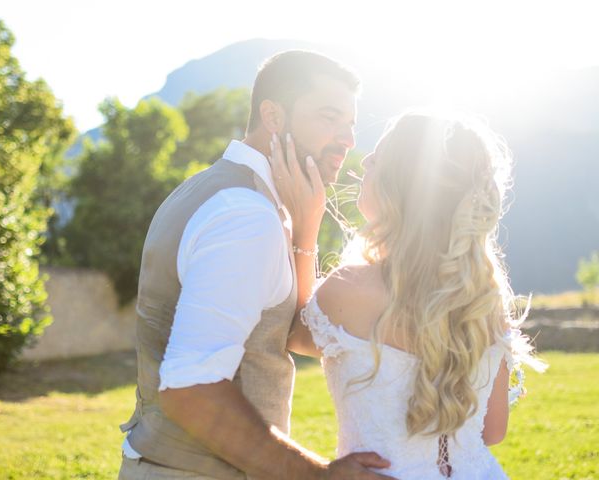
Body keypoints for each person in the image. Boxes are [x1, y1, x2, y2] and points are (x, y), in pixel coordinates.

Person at [118, 50, 395, 479]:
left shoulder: (210, 190)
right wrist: (318, 476)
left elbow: (295, 330)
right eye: (328, 117)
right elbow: (190, 388)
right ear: (273, 116)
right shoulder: (246, 216)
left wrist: (306, 231)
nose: (347, 140)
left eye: (350, 125)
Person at [272, 110, 547, 479]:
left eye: (379, 156)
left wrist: (305, 231)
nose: (366, 159)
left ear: (400, 185)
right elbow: (493, 430)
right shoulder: (482, 296)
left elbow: (294, 333)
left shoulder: (349, 289)